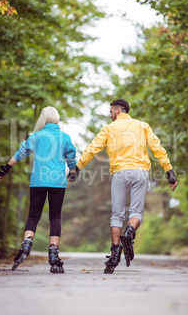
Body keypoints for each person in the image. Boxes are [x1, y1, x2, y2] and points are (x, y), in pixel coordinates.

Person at [69, 99, 177, 274]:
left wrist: (77, 168)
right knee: (136, 213)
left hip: (120, 173)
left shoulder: (108, 129)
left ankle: (114, 254)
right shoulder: (143, 126)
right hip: (140, 172)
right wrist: (169, 171)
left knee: (116, 215)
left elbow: (92, 148)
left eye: (111, 111)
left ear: (118, 111)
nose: (109, 114)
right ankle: (129, 231)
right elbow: (158, 149)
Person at [0, 106, 77, 274]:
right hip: (57, 182)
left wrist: (5, 169)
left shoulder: (36, 136)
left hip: (38, 181)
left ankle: (26, 243)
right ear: (56, 119)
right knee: (55, 217)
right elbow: (71, 155)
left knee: (33, 215)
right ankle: (54, 255)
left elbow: (20, 153)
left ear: (43, 118)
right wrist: (72, 171)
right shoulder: (64, 137)